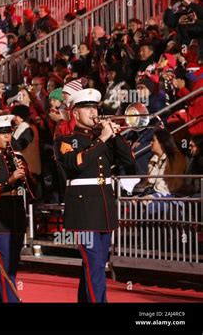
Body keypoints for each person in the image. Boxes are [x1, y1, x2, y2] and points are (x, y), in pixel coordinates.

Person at [54, 88, 136, 303]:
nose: (93, 113)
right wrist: (102, 138)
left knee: (97, 264)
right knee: (95, 263)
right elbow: (76, 164)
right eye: (88, 109)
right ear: (75, 113)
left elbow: (129, 162)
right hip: (83, 211)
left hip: (104, 208)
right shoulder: (66, 140)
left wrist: (115, 135)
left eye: (95, 108)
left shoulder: (104, 139)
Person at [0, 115, 29, 303]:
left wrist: (27, 175)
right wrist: (10, 180)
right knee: (5, 266)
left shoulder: (16, 156)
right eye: (2, 134)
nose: (7, 137)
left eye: (8, 132)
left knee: (12, 266)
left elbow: (35, 191)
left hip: (17, 212)